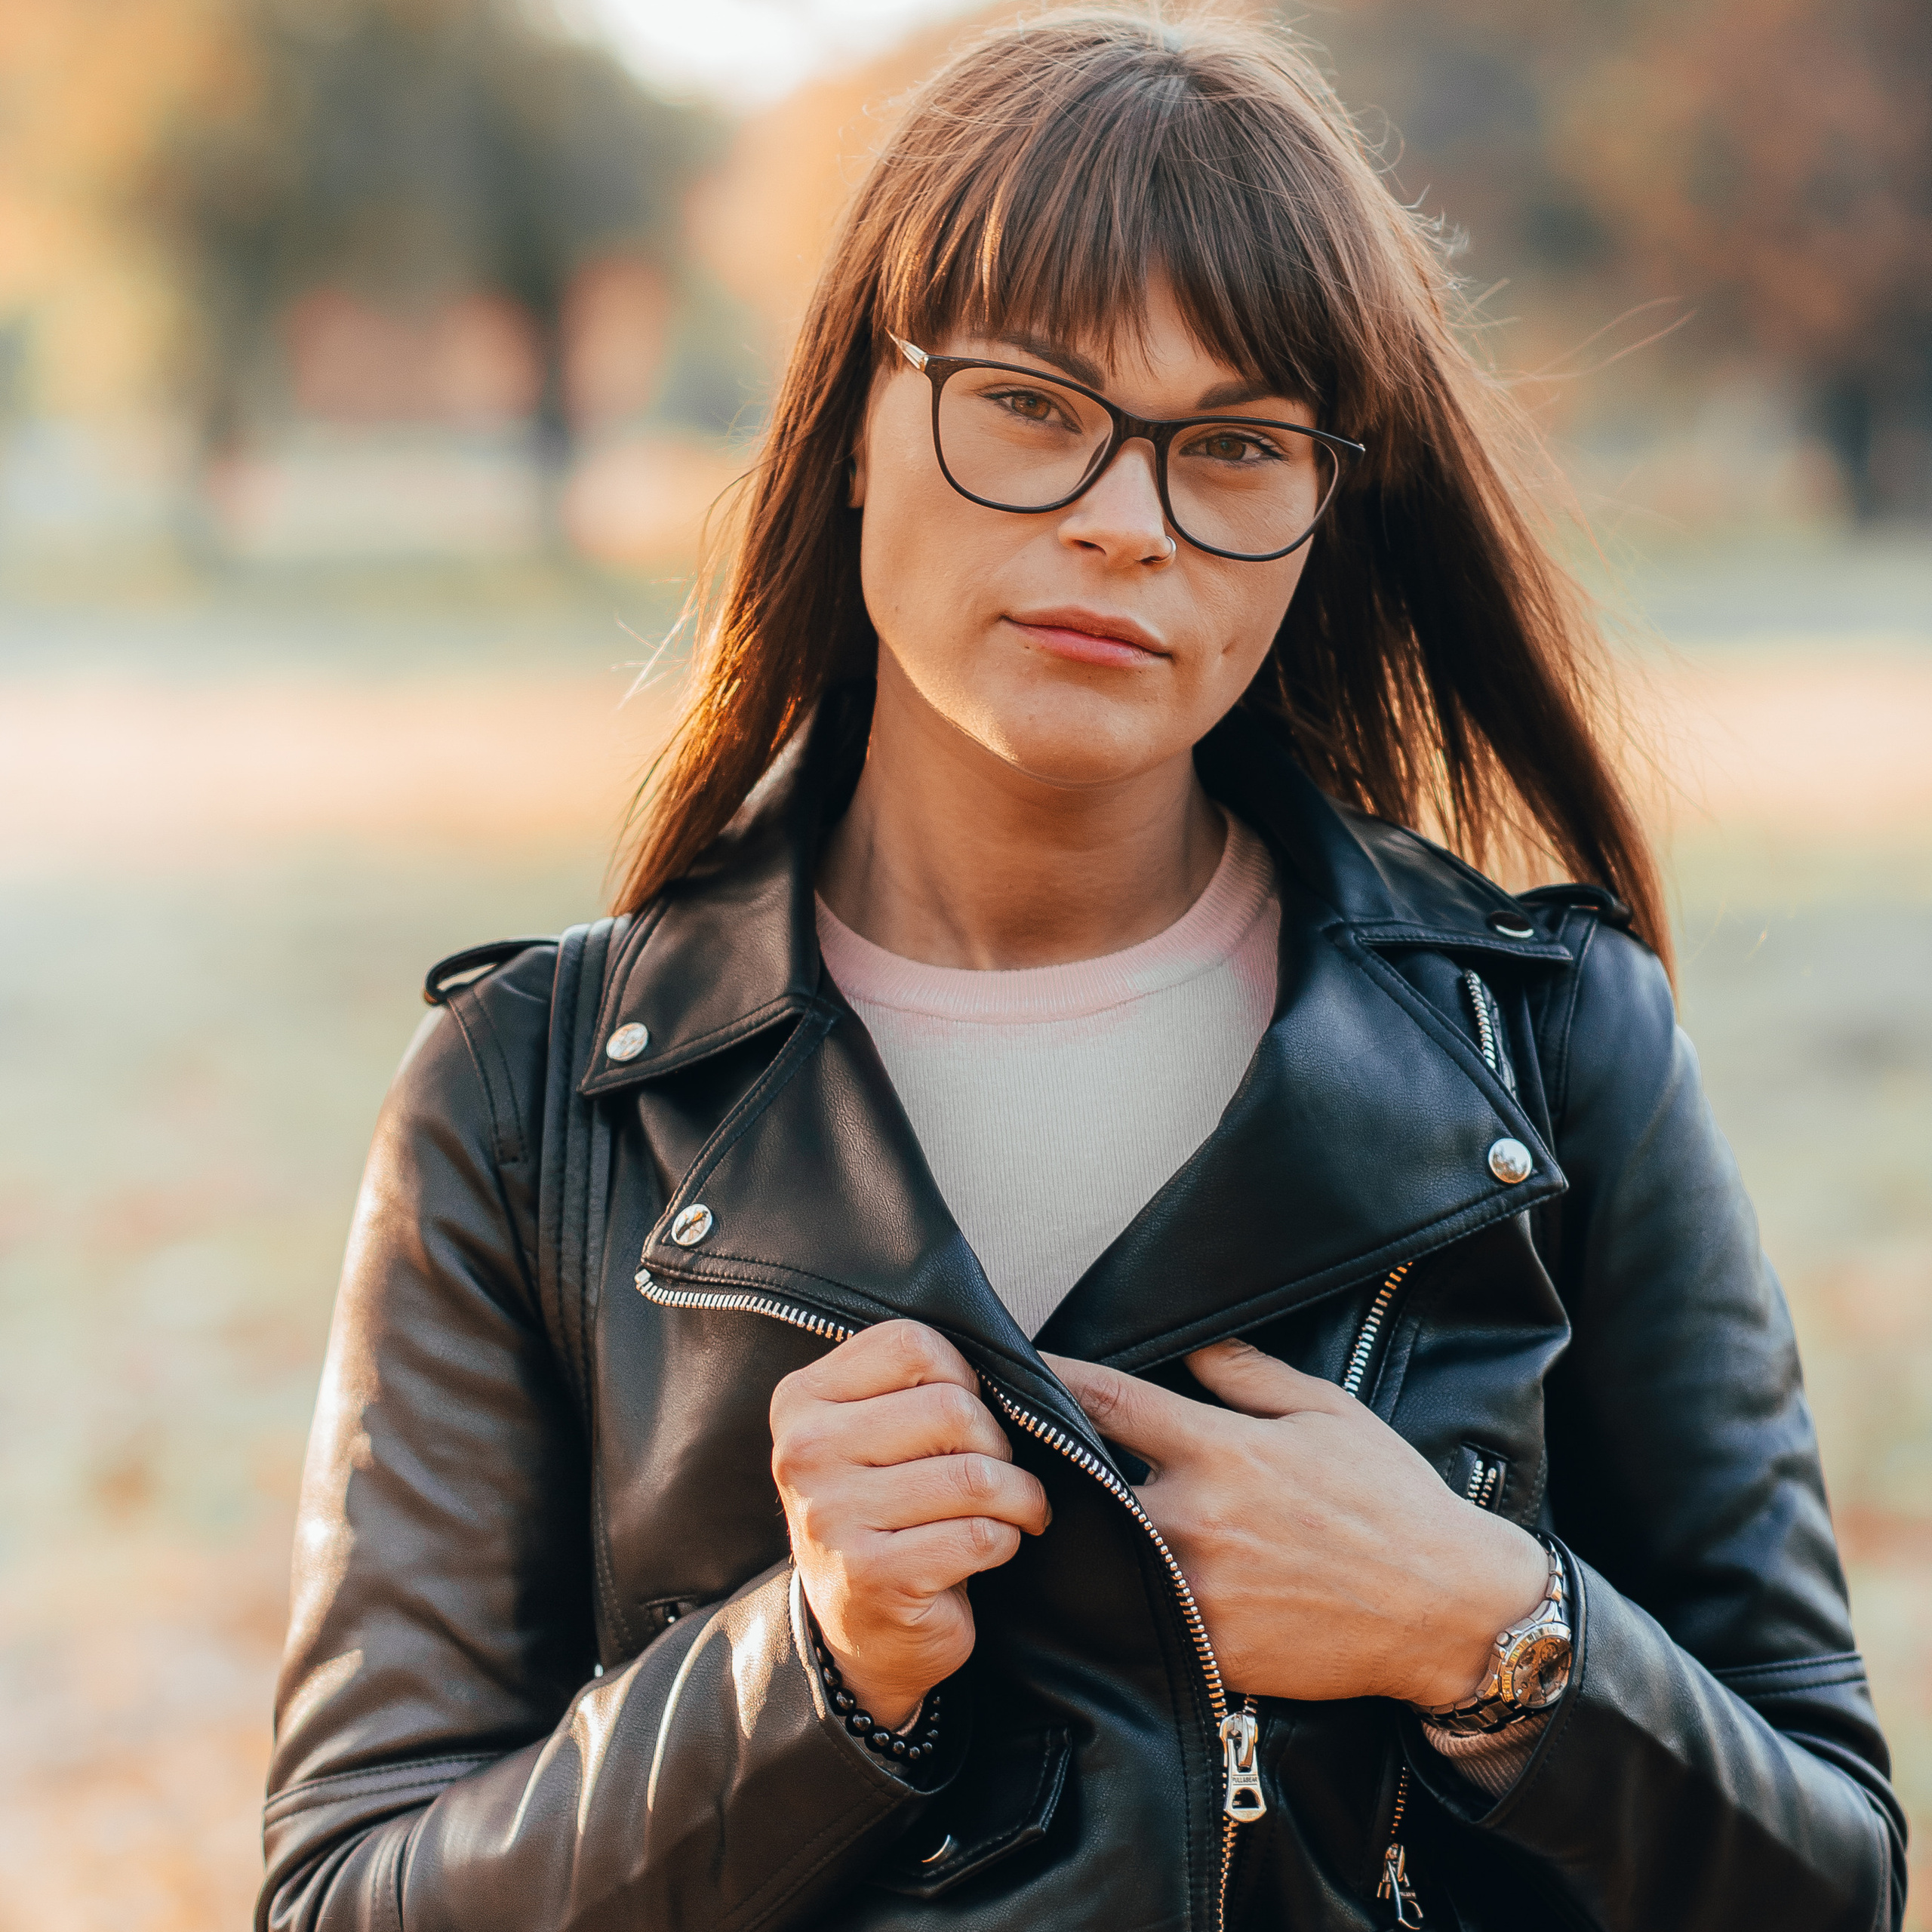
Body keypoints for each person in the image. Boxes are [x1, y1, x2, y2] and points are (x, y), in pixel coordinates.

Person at [257, 12, 1904, 1930]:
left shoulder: (1551, 1049)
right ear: (852, 427)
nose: (1124, 520)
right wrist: (807, 1665)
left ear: (1318, 510)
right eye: (1030, 402)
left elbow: (1828, 1872)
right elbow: (344, 1897)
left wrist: (1488, 1626)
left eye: (1231, 445)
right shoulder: (532, 1101)